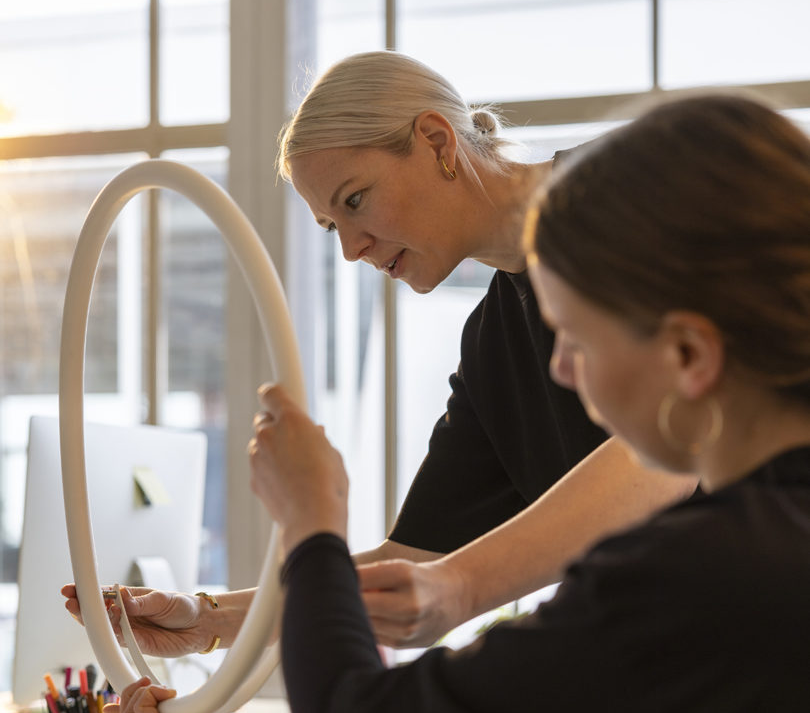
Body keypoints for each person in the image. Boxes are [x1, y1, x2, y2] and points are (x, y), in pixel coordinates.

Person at [108, 93, 810, 713]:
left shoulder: (700, 583)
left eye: (575, 336)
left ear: (692, 355)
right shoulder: (726, 560)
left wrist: (314, 526)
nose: (561, 372)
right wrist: (234, 635)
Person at [62, 51, 693, 656]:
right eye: (333, 226)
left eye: (355, 200)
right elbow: (418, 558)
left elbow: (673, 449)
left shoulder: (629, 189)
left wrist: (460, 588)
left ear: (439, 142)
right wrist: (212, 619)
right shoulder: (492, 344)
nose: (351, 250)